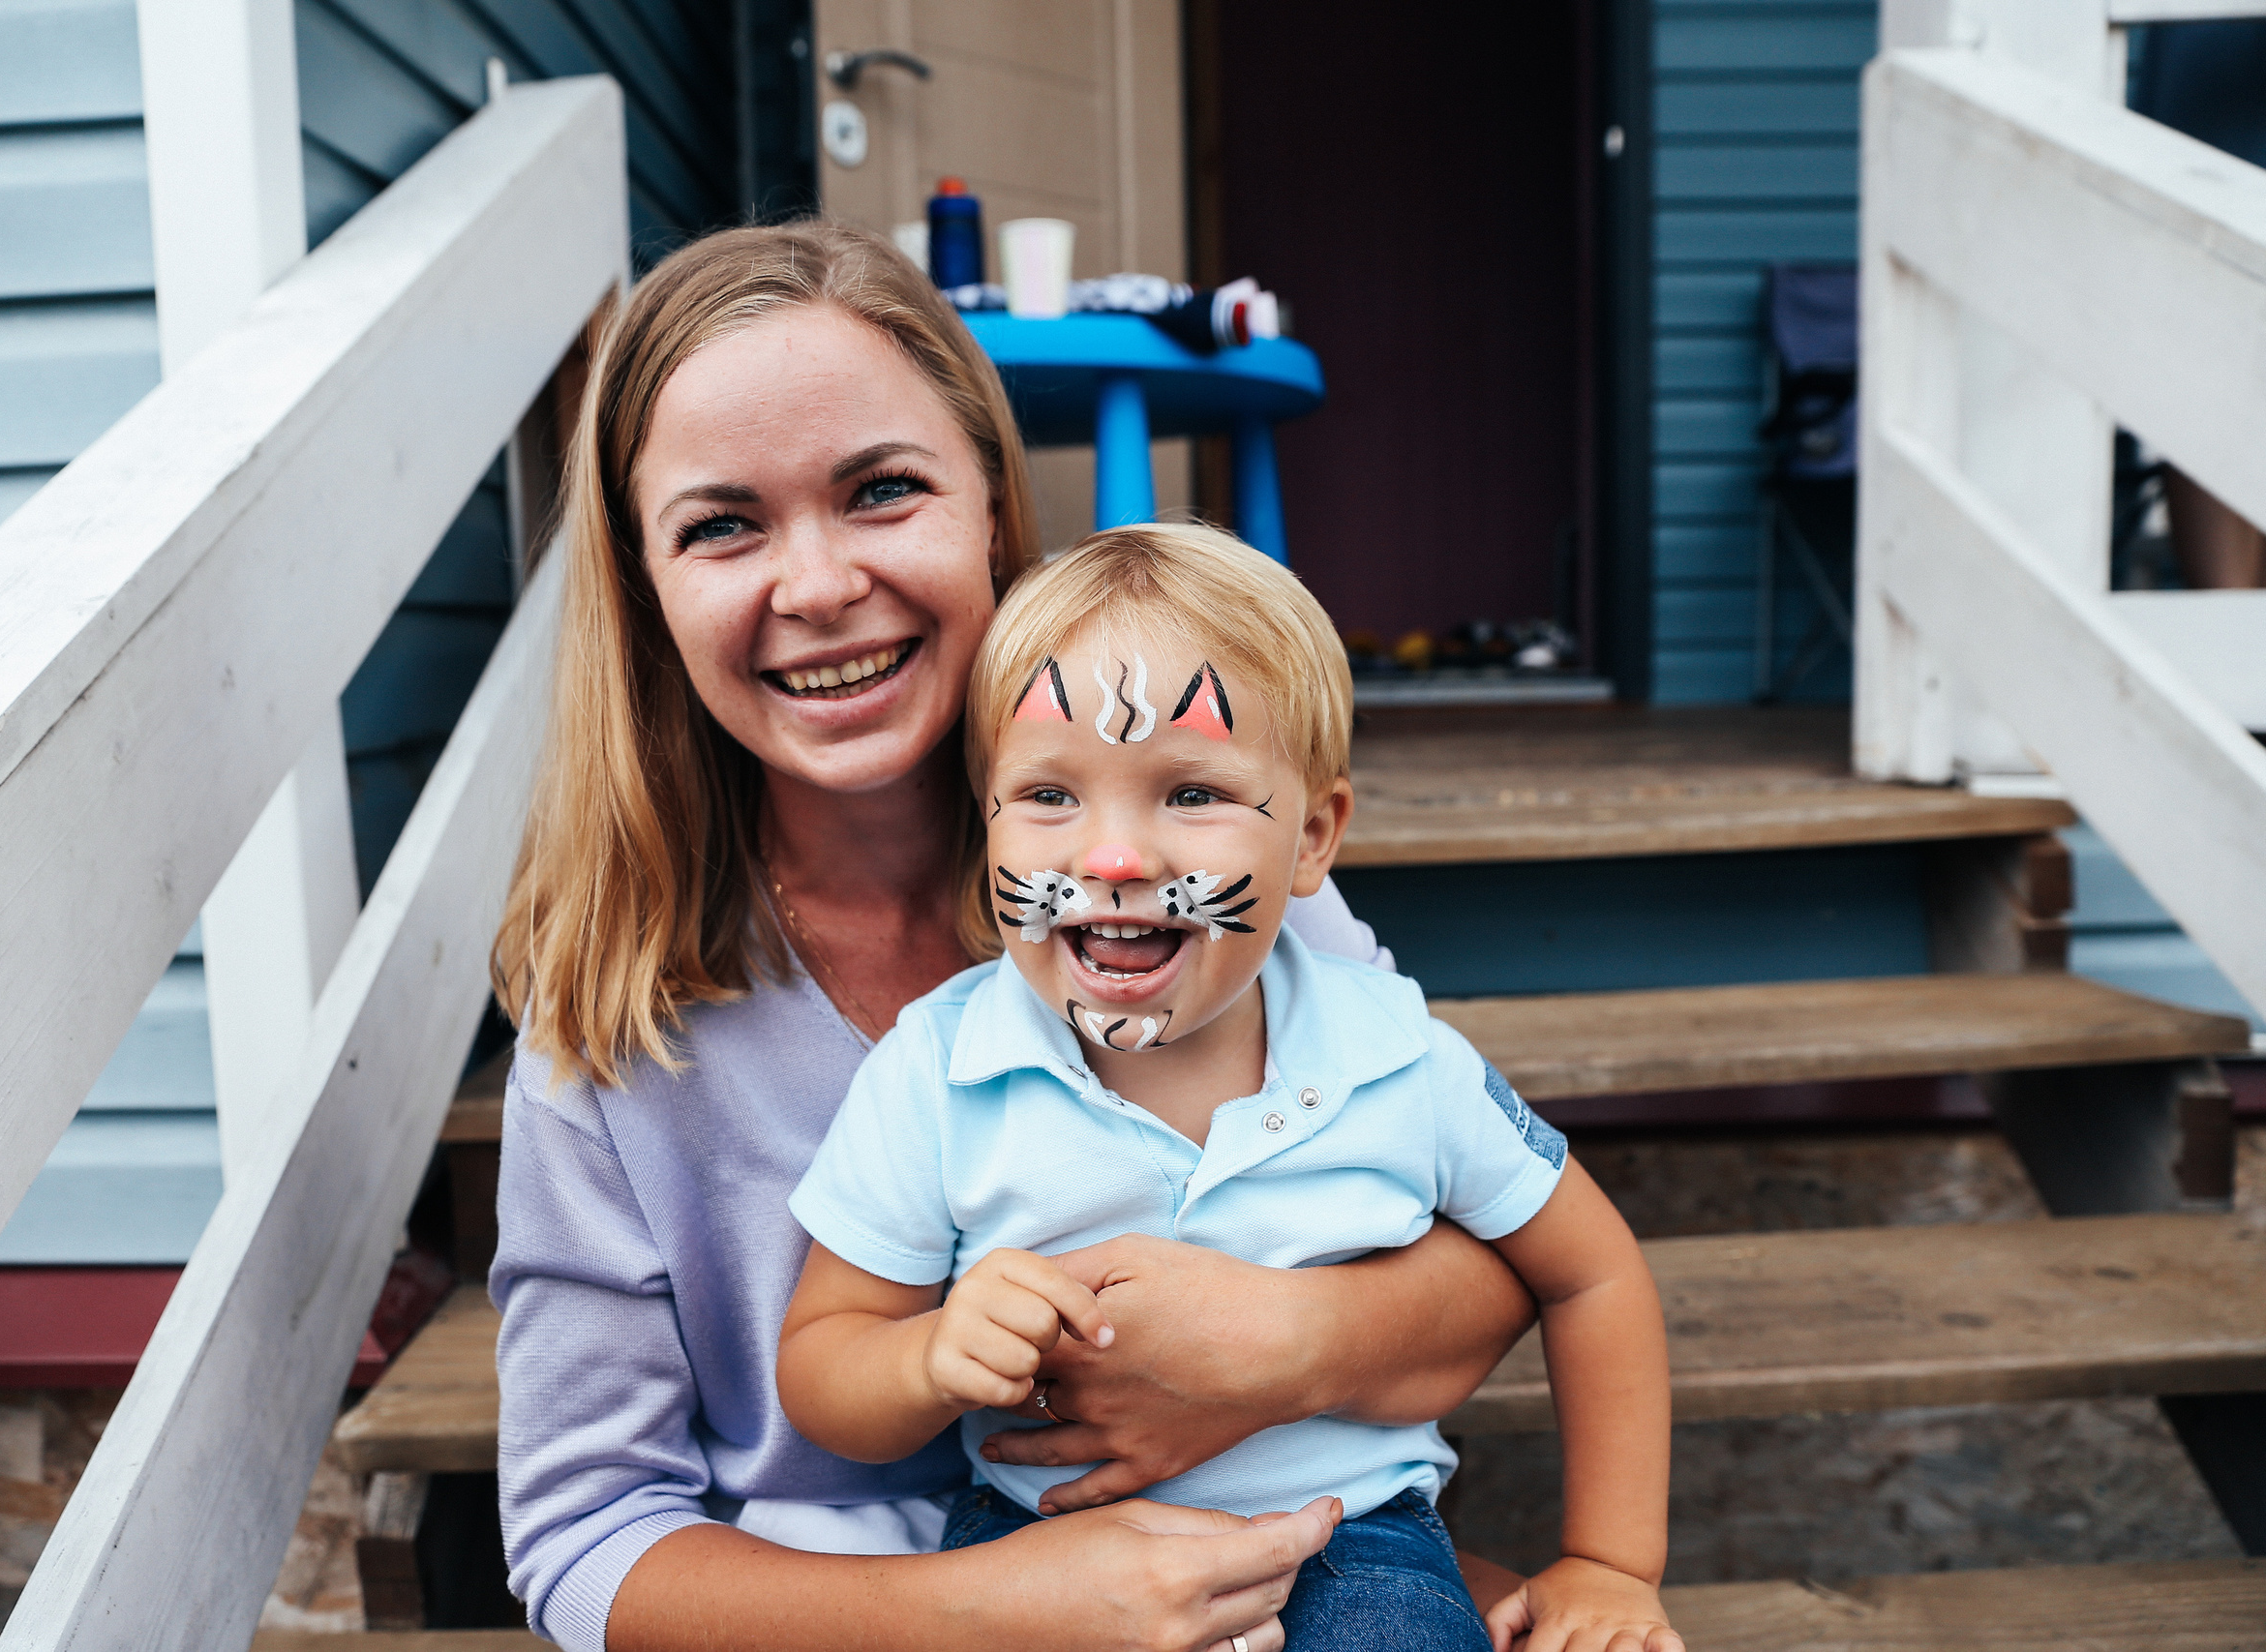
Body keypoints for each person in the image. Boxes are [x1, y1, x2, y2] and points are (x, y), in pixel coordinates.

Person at [488, 220, 1540, 1652]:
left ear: (991, 501)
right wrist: (993, 1606)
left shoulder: (1193, 885)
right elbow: (585, 1542)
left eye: (882, 490)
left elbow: (1500, 1255)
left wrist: (1290, 1347)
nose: (814, 585)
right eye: (723, 523)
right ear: (646, 586)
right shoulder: (614, 1032)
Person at [776, 525, 1680, 1652]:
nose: (1114, 858)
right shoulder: (938, 1072)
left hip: (1349, 1545)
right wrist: (924, 1357)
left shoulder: (1399, 1058)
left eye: (1191, 792)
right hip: (1038, 1551)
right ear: (987, 827)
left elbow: (1592, 1274)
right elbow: (822, 1361)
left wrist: (1607, 1560)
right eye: (1049, 796)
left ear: (1311, 838)